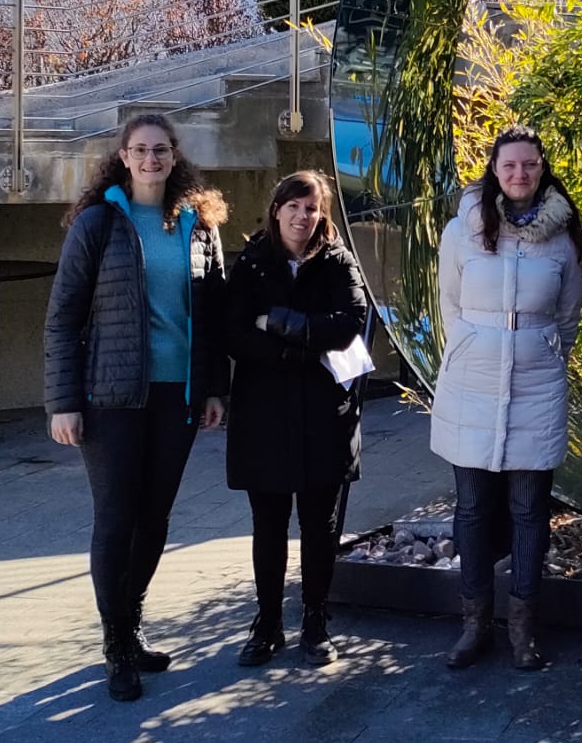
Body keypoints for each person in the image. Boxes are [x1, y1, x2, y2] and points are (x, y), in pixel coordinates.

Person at [44, 113, 229, 702]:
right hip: (113, 396)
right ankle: (115, 643)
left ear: (174, 157)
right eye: (140, 150)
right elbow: (63, 317)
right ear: (123, 157)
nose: (151, 159)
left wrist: (214, 388)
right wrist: (64, 403)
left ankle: (133, 620)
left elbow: (216, 316)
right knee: (117, 516)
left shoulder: (199, 226)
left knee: (156, 518)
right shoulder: (99, 223)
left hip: (178, 396)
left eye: (161, 150)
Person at [432, 125, 582, 672]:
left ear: (542, 169)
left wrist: (537, 350)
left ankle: (523, 629)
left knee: (529, 510)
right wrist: (479, 346)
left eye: (530, 165)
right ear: (494, 171)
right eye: (509, 165)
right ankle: (474, 625)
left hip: (536, 385)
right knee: (472, 508)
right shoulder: (463, 230)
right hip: (470, 384)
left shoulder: (562, 238)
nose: (520, 174)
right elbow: (449, 303)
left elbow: (568, 317)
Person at [225, 170, 372, 668]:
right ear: (276, 209)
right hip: (263, 415)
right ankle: (267, 623)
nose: (301, 216)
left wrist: (284, 324)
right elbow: (235, 331)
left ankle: (315, 620)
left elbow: (350, 322)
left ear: (322, 213)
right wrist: (300, 350)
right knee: (268, 525)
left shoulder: (337, 260)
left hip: (323, 418)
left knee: (319, 525)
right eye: (293, 206)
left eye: (311, 208)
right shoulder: (252, 261)